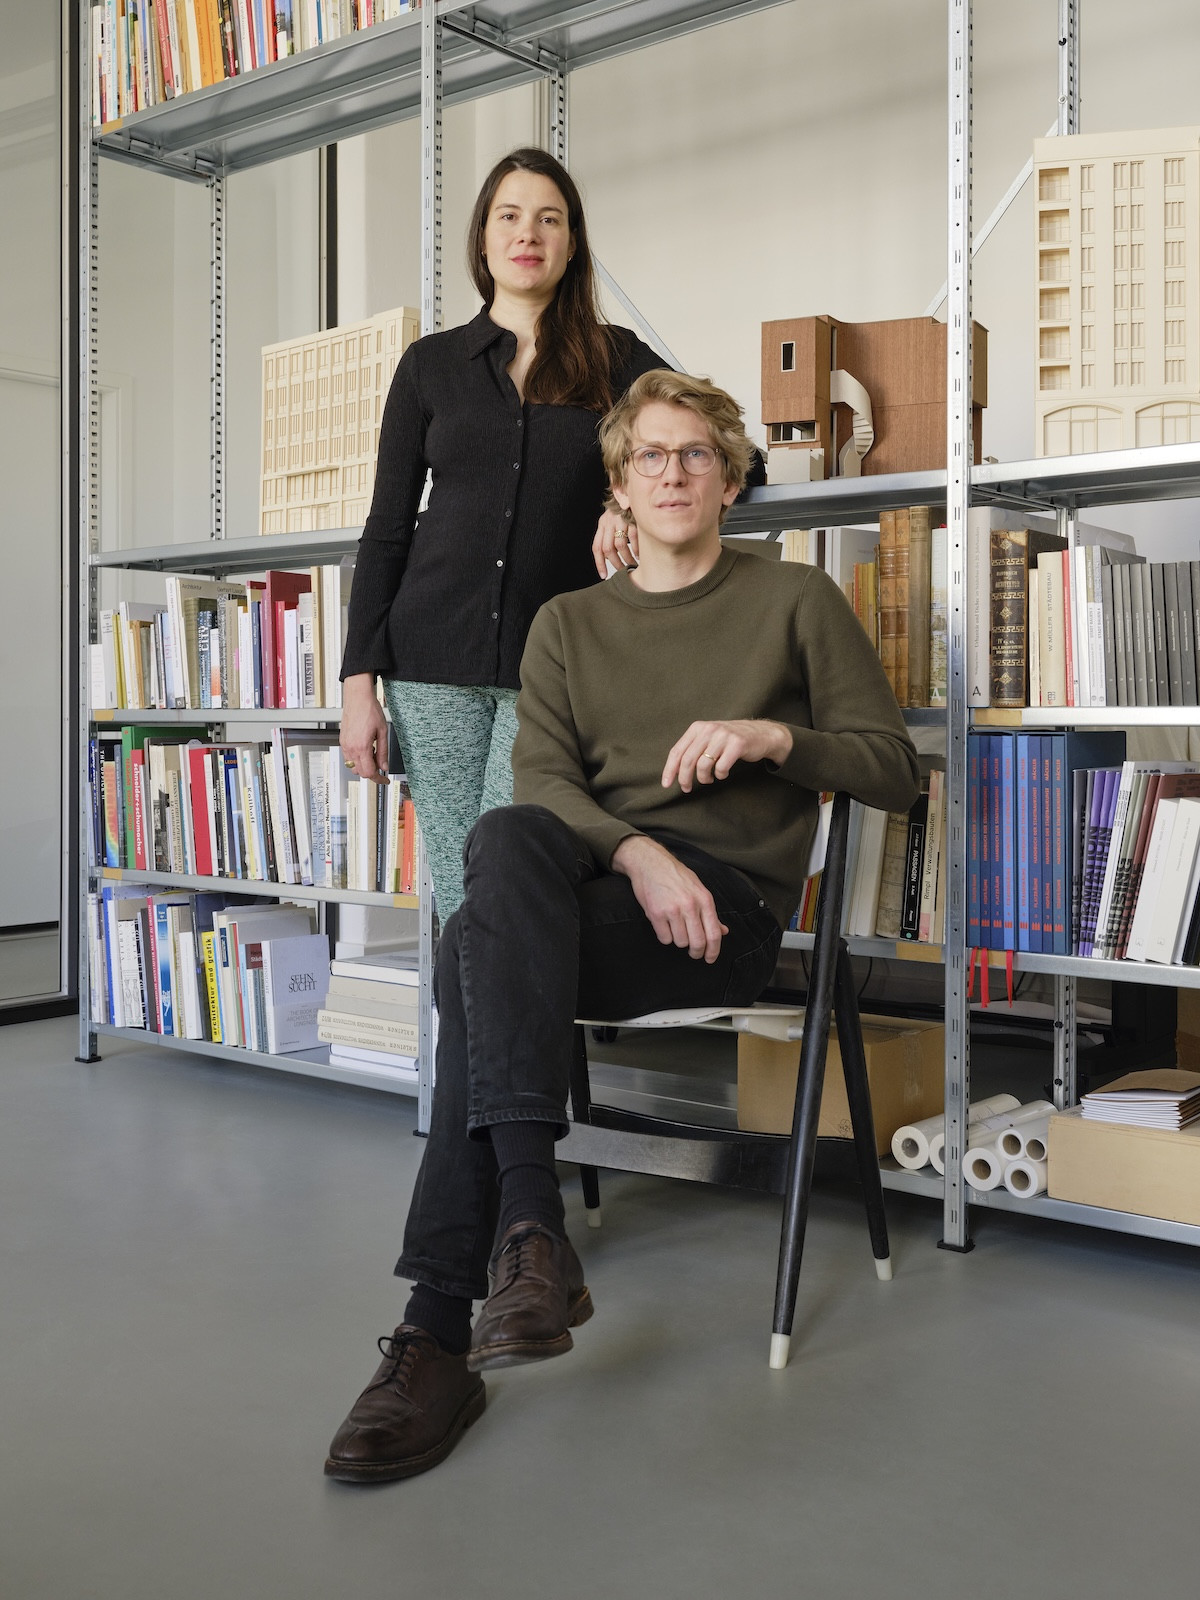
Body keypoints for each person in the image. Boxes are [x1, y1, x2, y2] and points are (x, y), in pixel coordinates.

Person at [325, 369, 920, 1484]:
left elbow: (894, 770)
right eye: (651, 455)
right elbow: (544, 785)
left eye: (698, 454)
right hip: (601, 894)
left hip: (720, 916)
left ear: (732, 481)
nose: (674, 472)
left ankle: (443, 1321)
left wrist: (775, 740)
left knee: (469, 951)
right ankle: (522, 1238)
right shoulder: (567, 623)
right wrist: (640, 852)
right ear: (620, 486)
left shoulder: (796, 602)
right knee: (504, 840)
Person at [338, 147, 670, 919]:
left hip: (553, 665)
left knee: (513, 869)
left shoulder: (617, 360)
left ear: (572, 243)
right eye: (510, 216)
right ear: (483, 238)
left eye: (549, 219)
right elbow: (386, 533)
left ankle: (511, 1000)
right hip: (430, 664)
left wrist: (629, 501)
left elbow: (725, 450)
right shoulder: (429, 367)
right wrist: (359, 689)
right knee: (462, 888)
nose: (529, 233)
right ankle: (470, 1005)